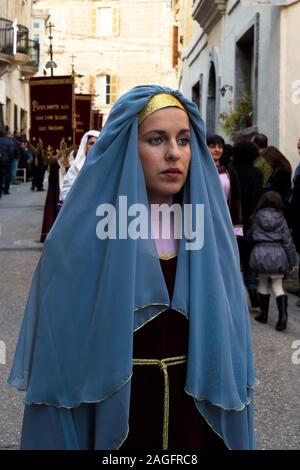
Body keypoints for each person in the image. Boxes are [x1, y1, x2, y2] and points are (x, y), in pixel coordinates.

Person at [8, 86, 257, 450]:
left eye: (184, 140)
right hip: (114, 413)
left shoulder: (207, 233)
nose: (174, 153)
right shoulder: (83, 236)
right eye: (156, 139)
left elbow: (230, 339)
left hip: (194, 413)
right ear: (126, 147)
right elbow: (60, 351)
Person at [247, 191, 297, 331]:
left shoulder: (256, 217)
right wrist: (292, 261)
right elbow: (288, 242)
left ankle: (263, 316)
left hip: (260, 255)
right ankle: (283, 317)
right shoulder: (282, 219)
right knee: (277, 285)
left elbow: (250, 236)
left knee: (262, 283)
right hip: (278, 256)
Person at [207, 134, 243, 237]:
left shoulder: (229, 173)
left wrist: (237, 229)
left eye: (220, 146)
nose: (217, 150)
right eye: (212, 146)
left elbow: (236, 200)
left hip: (225, 219)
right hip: (204, 218)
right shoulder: (198, 171)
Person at [59, 130, 99, 202]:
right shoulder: (76, 166)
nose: (94, 146)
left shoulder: (106, 165)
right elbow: (65, 193)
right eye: (91, 143)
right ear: (85, 146)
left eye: (97, 143)